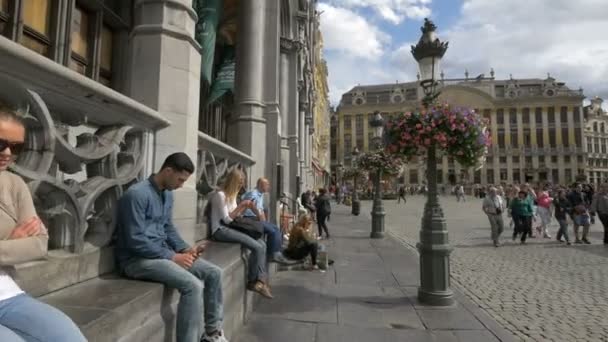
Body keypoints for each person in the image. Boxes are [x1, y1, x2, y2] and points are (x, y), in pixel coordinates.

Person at [115, 152, 228, 342]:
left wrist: (185, 249)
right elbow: (135, 240)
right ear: (168, 171)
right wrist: (172, 256)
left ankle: (212, 333)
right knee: (192, 286)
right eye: (180, 179)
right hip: (136, 261)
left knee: (214, 273)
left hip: (162, 255)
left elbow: (168, 228)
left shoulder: (167, 195)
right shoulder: (136, 195)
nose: (181, 185)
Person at [0, 102, 87, 342]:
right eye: (1, 143)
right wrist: (12, 241)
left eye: (17, 147)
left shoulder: (14, 184)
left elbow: (39, 244)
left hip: (8, 297)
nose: (7, 153)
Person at [208, 169, 273, 298]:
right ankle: (254, 281)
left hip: (232, 226)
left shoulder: (232, 195)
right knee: (257, 247)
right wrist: (242, 205)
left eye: (241, 183)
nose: (240, 186)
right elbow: (226, 219)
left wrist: (246, 208)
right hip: (220, 230)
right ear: (232, 182)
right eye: (238, 183)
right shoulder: (220, 195)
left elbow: (235, 216)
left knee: (262, 244)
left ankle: (260, 281)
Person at [241, 177, 296, 264]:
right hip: (250, 219)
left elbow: (261, 210)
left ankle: (277, 251)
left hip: (256, 219)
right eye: (267, 185)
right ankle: (272, 254)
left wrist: (264, 220)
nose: (269, 187)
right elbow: (254, 210)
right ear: (260, 185)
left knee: (276, 228)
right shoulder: (253, 194)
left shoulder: (260, 194)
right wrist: (263, 221)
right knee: (272, 231)